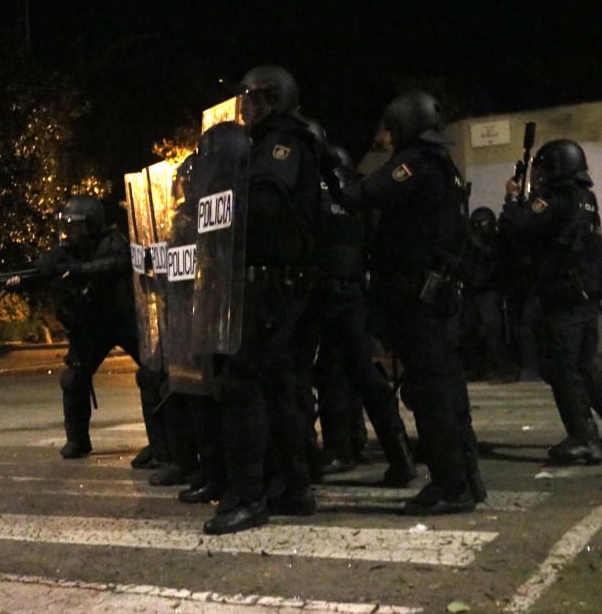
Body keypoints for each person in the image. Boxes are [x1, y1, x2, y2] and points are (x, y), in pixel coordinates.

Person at [324, 91, 484, 514]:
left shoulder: (415, 163)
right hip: (439, 295)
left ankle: (451, 486)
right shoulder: (444, 165)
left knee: (429, 392)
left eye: (392, 128)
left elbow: (362, 194)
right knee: (448, 389)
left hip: (419, 298)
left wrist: (329, 168)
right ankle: (466, 478)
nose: (387, 137)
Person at [202, 65, 320, 535]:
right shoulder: (273, 140)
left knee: (241, 383)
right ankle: (293, 486)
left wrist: (228, 198)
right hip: (275, 284)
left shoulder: (281, 143)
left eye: (249, 98)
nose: (244, 107)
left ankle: (249, 497)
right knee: (276, 385)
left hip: (273, 284)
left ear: (269, 99)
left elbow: (268, 206)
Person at [7, 195, 165, 460]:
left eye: (74, 226)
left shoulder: (112, 241)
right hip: (92, 326)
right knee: (74, 378)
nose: (68, 232)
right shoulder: (67, 250)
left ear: (91, 225)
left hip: (122, 320)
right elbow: (44, 267)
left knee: (153, 374)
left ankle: (161, 446)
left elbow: (119, 262)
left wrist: (80, 270)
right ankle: (78, 440)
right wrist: (23, 279)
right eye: (66, 226)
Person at [300, 142, 417, 483]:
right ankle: (396, 451)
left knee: (326, 373)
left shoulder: (316, 193)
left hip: (321, 290)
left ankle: (338, 450)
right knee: (362, 373)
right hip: (353, 292)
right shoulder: (356, 194)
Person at [499, 140, 602, 464]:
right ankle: (586, 434)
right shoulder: (587, 198)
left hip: (563, 299)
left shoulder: (555, 198)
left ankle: (584, 437)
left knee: (563, 368)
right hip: (584, 298)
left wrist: (513, 198)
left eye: (542, 169)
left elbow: (518, 226)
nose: (539, 176)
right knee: (585, 367)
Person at [460, 208, 517, 383]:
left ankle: (503, 368)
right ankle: (476, 369)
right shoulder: (469, 245)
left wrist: (482, 249)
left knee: (491, 330)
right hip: (472, 292)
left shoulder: (497, 244)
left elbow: (498, 266)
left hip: (489, 292)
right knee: (468, 330)